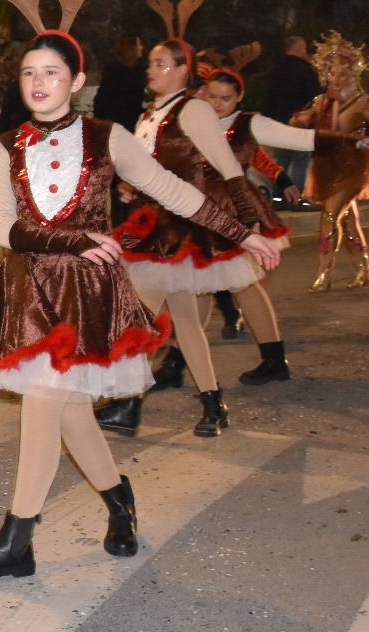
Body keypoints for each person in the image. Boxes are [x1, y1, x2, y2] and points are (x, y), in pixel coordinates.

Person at [0, 0, 277, 580]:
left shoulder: (107, 136)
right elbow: (1, 227)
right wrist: (73, 240)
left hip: (88, 293)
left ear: (77, 81)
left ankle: (15, 541)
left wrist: (243, 233)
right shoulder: (4, 147)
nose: (38, 82)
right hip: (32, 290)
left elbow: (174, 190)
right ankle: (118, 499)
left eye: (51, 72)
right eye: (29, 73)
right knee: (70, 411)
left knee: (46, 403)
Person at [96, 39, 287, 439]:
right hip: (154, 225)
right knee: (184, 323)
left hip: (183, 229)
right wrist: (131, 187)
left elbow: (229, 167)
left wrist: (249, 223)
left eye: (160, 63)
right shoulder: (152, 113)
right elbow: (151, 168)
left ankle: (128, 403)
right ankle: (213, 405)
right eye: (151, 62)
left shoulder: (193, 109)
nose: (151, 69)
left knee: (139, 315)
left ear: (183, 69)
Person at [183, 69, 369, 385]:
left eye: (225, 98)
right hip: (199, 211)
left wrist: (360, 141)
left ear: (240, 97)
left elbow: (304, 138)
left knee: (239, 284)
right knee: (198, 285)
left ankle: (271, 360)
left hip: (235, 211)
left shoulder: (248, 123)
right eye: (212, 96)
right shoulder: (193, 120)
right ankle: (179, 362)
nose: (217, 104)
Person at [290, 31, 369, 292]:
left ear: (352, 75)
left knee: (330, 215)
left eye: (343, 74)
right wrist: (298, 120)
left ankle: (324, 273)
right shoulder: (320, 102)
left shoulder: (362, 102)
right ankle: (363, 268)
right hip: (326, 166)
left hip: (352, 166)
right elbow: (299, 122)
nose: (336, 79)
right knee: (347, 221)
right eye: (332, 73)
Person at [267, 36, 322, 202]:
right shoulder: (305, 70)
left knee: (282, 159)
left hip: (278, 120)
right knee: (300, 158)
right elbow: (316, 97)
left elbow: (269, 97)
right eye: (304, 48)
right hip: (299, 120)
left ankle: (279, 195)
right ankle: (295, 196)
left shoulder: (274, 69)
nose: (305, 52)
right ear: (298, 49)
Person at [92, 35, 146, 131]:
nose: (142, 47)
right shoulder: (115, 71)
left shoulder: (139, 70)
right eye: (139, 44)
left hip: (129, 125)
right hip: (115, 126)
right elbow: (102, 99)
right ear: (131, 48)